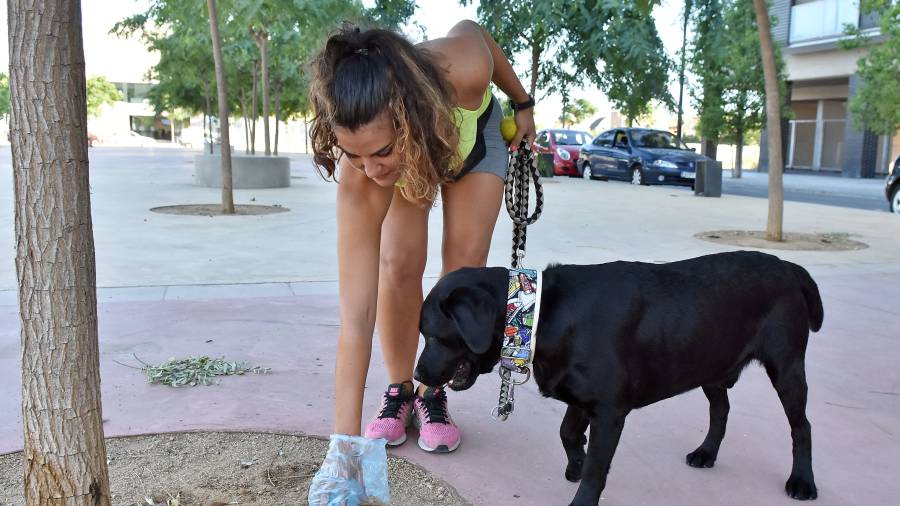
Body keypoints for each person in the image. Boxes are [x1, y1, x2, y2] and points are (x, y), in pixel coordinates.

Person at [307, 19, 535, 500]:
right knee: (398, 266)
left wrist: (523, 104)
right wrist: (342, 448)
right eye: (354, 154)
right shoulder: (365, 173)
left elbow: (477, 33)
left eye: (379, 152)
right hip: (417, 154)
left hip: (470, 141)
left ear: (405, 114)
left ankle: (434, 393)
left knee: (463, 270)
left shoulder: (462, 69)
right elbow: (356, 317)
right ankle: (400, 392)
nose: (370, 170)